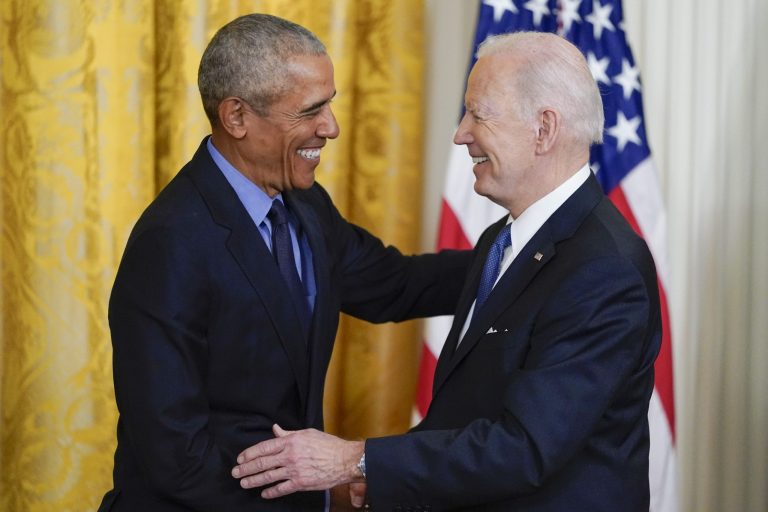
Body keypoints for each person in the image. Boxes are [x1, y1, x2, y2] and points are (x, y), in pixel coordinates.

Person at [231, 31, 663, 512]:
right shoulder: (507, 242)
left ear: (544, 130)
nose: (461, 133)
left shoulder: (604, 270)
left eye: (478, 113)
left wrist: (357, 460)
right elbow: (462, 398)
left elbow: (524, 449)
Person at [98, 13, 471, 512]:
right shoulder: (171, 243)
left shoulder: (304, 205)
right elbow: (176, 457)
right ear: (236, 117)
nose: (332, 127)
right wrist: (318, 495)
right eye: (310, 110)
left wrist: (520, 253)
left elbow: (397, 285)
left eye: (330, 105)